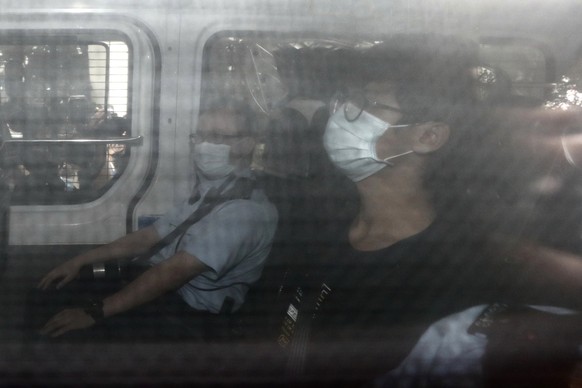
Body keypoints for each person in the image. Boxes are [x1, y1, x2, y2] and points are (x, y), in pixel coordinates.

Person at [279, 36, 582, 385]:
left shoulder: (443, 277)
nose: (342, 114)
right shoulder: (317, 217)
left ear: (428, 137)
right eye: (346, 99)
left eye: (368, 103)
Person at [32, 98, 278, 339]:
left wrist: (95, 312)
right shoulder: (212, 192)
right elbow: (150, 237)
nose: (203, 145)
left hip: (189, 317)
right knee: (50, 292)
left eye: (216, 137)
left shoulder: (245, 212)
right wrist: (80, 260)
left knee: (70, 335)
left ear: (246, 144)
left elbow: (174, 272)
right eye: (199, 136)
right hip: (161, 290)